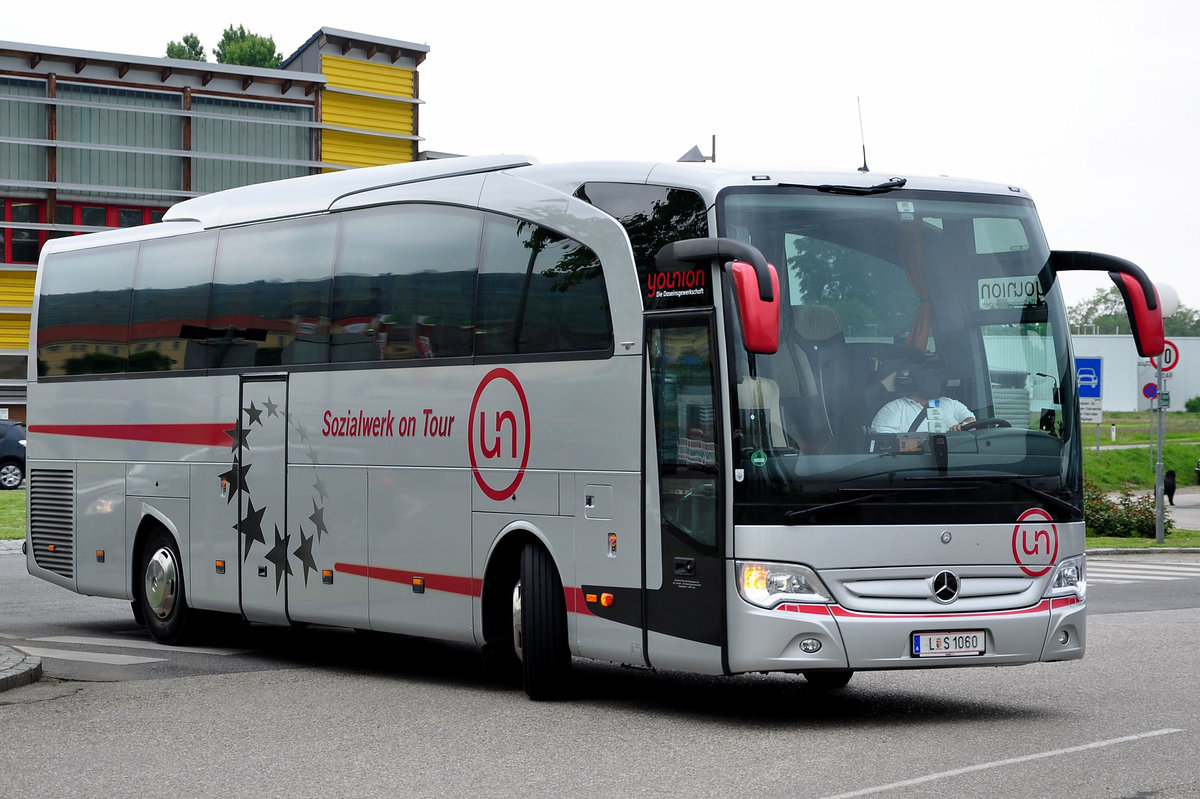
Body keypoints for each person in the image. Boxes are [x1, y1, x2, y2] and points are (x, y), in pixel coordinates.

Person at [870, 367, 975, 434]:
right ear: (916, 383)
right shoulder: (893, 409)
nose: (936, 384)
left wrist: (964, 425)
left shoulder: (950, 403)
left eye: (939, 380)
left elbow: (972, 421)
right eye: (931, 379)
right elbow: (885, 447)